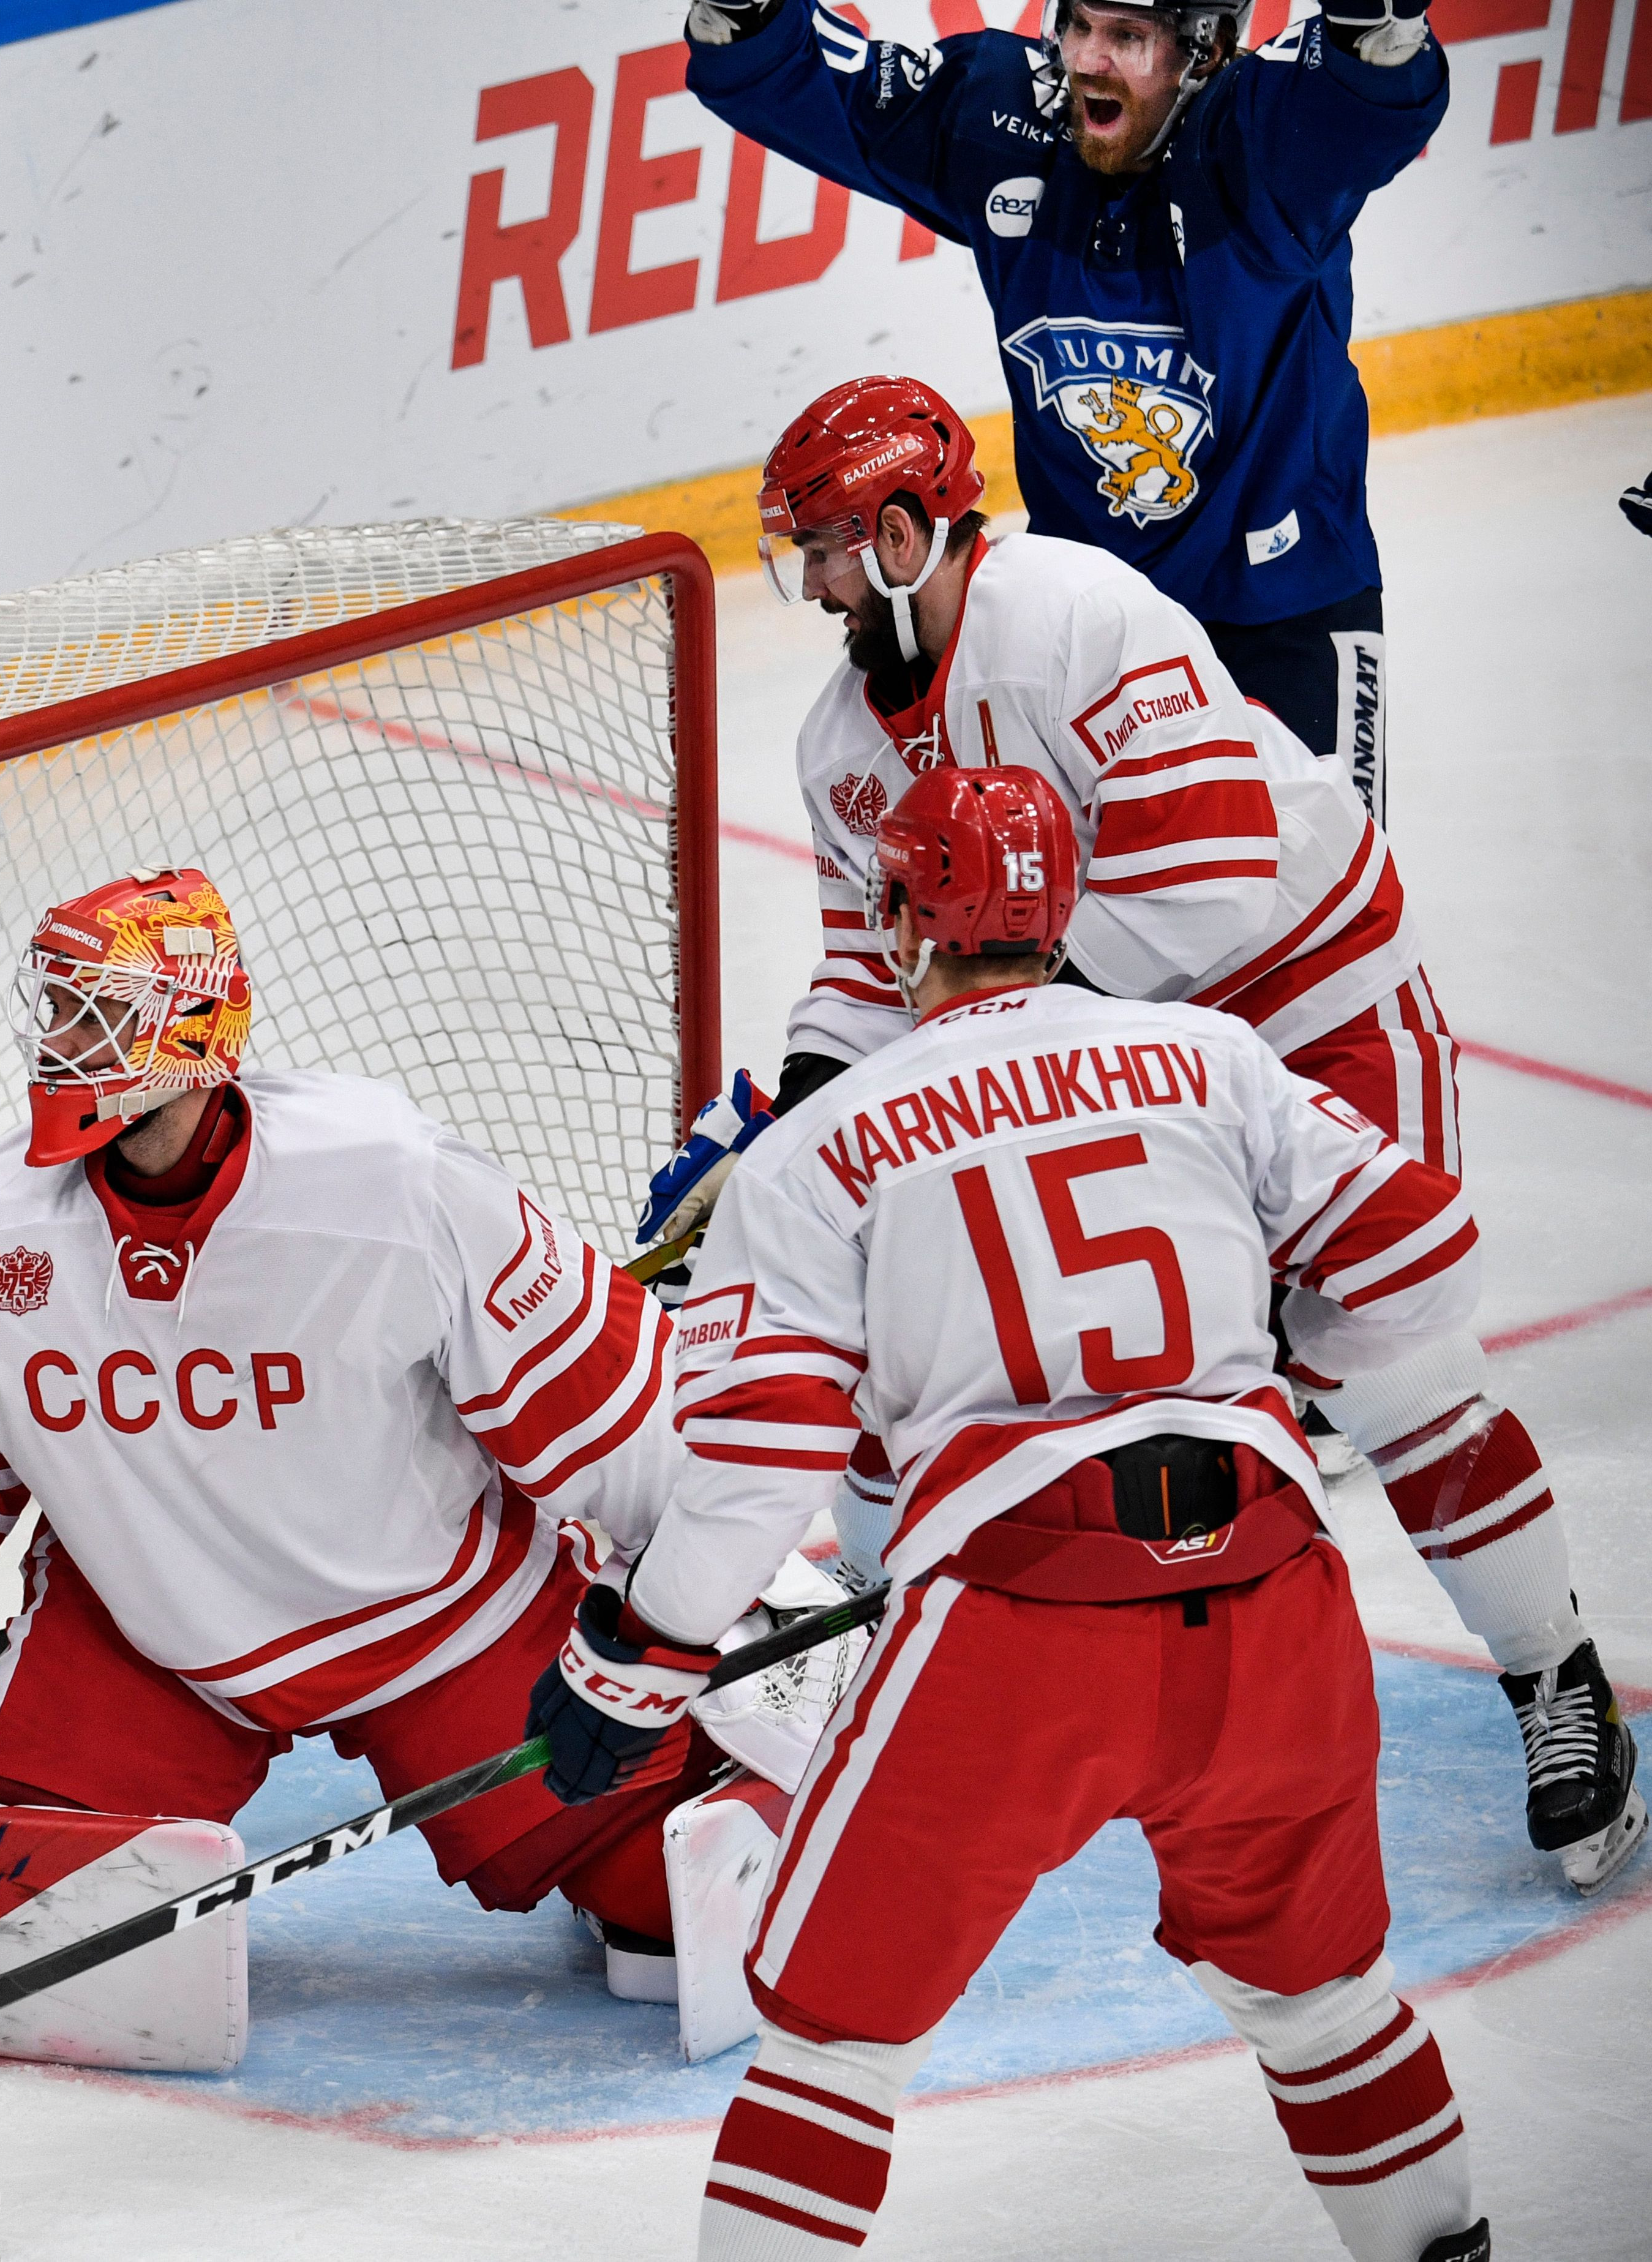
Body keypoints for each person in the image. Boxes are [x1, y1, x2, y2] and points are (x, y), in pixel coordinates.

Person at [659, 374, 1638, 1892]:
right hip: (1107, 1051)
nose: (822, 585)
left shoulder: (1073, 613)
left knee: (1388, 1356)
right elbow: (875, 963)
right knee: (957, 1346)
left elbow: (1216, 879)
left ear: (912, 530)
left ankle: (1553, 1674)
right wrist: (796, 1112)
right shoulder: (840, 738)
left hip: (1313, 1010)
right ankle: (908, 1683)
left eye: (839, 547)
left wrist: (998, 1048)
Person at [543, 764, 1493, 2262]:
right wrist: (1260, 1363)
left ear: (910, 917)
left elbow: (763, 1459)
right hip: (1275, 1597)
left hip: (1018, 1631)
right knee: (1323, 1998)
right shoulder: (1211, 1057)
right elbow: (1420, 1250)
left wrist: (639, 1653)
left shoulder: (820, 1140)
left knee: (835, 2042)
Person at [0, 865, 799, 2016]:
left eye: (97, 1008)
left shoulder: (391, 1181)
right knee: (4, 1927)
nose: (63, 1040)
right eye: (55, 1007)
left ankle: (783, 1787)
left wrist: (693, 1623)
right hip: (151, 1638)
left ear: (193, 1026)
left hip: (440, 1618)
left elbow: (618, 1418)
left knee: (672, 1917)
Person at [683, 0, 1445, 821]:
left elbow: (1359, 89)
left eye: (1127, 37)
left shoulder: (1259, 145)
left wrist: (1374, 30)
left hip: (1285, 614)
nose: (1086, 59)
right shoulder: (1007, 125)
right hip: (1089, 629)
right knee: (1058, 927)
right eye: (1079, 24)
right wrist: (748, 13)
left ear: (1208, 49)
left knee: (1330, 916)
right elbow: (830, 87)